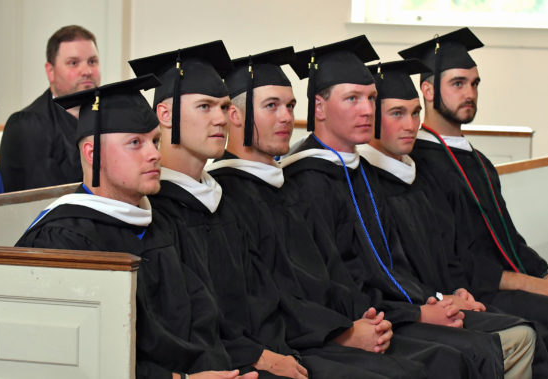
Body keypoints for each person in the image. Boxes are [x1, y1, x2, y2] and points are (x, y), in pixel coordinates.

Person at [131, 42, 423, 379]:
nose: (220, 118)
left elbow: (271, 291)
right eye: (205, 106)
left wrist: (355, 321)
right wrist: (264, 353)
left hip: (279, 345)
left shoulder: (220, 200)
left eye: (224, 106)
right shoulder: (159, 213)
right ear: (165, 115)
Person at [281, 35, 539, 379]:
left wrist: (434, 298)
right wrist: (417, 312)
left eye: (371, 98)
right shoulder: (305, 181)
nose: (366, 110)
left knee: (515, 335)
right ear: (319, 107)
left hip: (393, 312)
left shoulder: (359, 173)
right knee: (470, 353)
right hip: (359, 325)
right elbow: (335, 283)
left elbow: (392, 265)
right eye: (352, 99)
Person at [14, 75, 258, 379]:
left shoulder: (158, 224)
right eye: (135, 143)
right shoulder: (64, 239)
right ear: (93, 154)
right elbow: (75, 357)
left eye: (155, 140)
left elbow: (201, 319)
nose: (155, 153)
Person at [401, 27, 548, 378]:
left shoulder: (479, 161)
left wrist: (547, 274)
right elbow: (453, 262)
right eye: (458, 84)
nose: (470, 93)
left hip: (513, 280)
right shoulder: (421, 165)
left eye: (475, 84)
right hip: (481, 290)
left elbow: (510, 238)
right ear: (428, 90)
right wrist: (531, 284)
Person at [359, 58, 548, 378]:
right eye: (397, 113)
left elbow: (452, 251)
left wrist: (456, 292)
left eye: (415, 113)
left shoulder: (419, 177)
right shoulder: (363, 186)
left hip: (442, 299)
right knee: (529, 333)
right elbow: (382, 272)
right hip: (406, 312)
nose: (410, 124)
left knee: (541, 328)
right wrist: (439, 300)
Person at [0, 25, 101, 192]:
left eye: (92, 61)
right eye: (73, 63)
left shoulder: (111, 116)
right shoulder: (28, 126)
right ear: (50, 71)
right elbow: (40, 200)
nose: (87, 71)